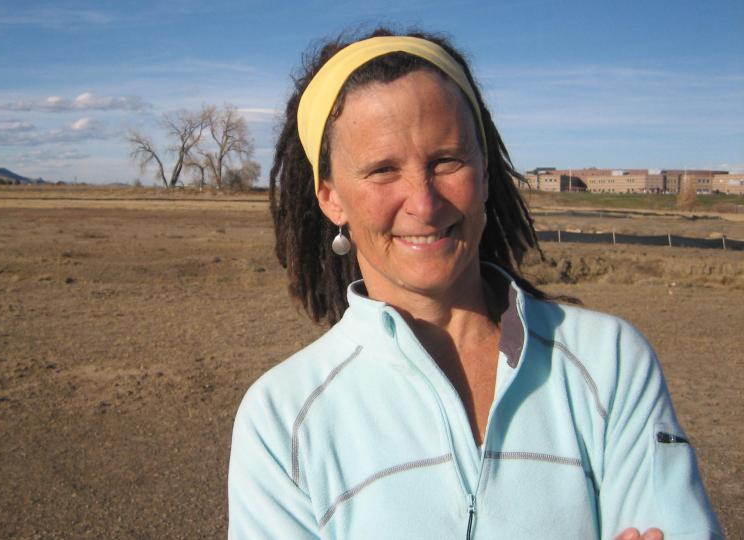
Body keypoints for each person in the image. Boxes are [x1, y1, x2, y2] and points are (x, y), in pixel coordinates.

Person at [227, 28, 723, 539]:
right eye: (382, 170)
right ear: (331, 198)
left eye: (447, 161)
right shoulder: (283, 421)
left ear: (485, 172)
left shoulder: (609, 362)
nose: (424, 203)